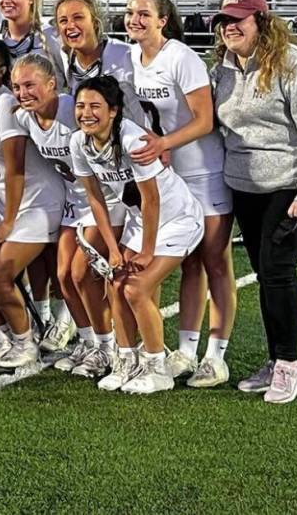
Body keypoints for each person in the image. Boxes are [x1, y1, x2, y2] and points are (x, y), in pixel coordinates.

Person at [211, 0, 297, 403]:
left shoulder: (294, 67)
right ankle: (275, 359)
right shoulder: (224, 67)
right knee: (267, 274)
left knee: (277, 270)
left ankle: (289, 364)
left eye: (239, 20)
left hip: (294, 183)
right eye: (225, 21)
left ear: (262, 24)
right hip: (247, 187)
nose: (229, 27)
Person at [125, 0, 236, 388]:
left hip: (204, 171)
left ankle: (216, 356)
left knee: (215, 260)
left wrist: (163, 144)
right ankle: (186, 352)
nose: (134, 19)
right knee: (188, 262)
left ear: (162, 19)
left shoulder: (181, 56)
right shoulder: (134, 57)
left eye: (143, 13)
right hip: (173, 174)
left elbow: (204, 120)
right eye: (129, 12)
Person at [70, 76, 205, 394]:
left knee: (136, 289)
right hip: (139, 220)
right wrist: (113, 250)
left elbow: (152, 199)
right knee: (114, 284)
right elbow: (96, 199)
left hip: (177, 219)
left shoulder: (133, 139)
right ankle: (127, 361)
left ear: (114, 111)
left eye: (95, 106)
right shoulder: (79, 143)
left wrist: (145, 252)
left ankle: (157, 367)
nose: (86, 113)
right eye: (80, 105)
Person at [10, 54, 122, 377]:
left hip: (105, 200)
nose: (23, 93)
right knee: (63, 277)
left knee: (80, 274)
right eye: (17, 86)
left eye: (30, 85)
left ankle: (108, 346)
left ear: (52, 85)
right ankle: (88, 342)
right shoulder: (24, 117)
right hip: (74, 203)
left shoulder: (74, 110)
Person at [0, 40, 64, 369]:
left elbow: (16, 169)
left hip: (35, 201)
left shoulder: (6, 105)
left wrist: (7, 221)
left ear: (1, 72)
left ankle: (25, 341)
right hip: (7, 202)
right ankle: (4, 338)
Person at [0, 0, 67, 328]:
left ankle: (62, 316)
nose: (6, 0)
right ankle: (39, 314)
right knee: (29, 240)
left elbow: (61, 90)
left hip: (47, 141)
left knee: (50, 242)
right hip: (14, 134)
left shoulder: (49, 39)